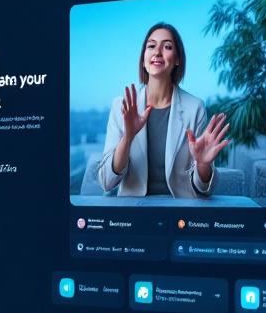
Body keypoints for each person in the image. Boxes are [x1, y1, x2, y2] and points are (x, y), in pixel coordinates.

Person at [96, 22, 230, 198]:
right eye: (151, 46)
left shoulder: (194, 107)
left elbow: (204, 190)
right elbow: (106, 182)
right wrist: (127, 138)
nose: (157, 52)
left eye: (167, 46)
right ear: (143, 59)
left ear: (177, 59)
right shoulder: (121, 106)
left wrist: (203, 164)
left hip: (179, 211)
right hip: (133, 210)